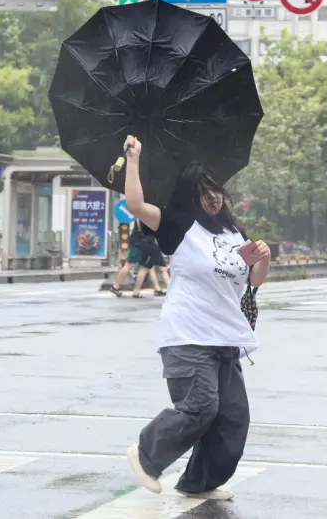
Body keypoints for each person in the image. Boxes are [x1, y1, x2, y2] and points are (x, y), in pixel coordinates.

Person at [121, 135, 271, 500]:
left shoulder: (234, 232)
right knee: (200, 408)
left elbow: (251, 281)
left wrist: (263, 259)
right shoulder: (179, 226)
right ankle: (146, 454)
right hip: (187, 337)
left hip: (226, 341)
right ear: (191, 193)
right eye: (205, 191)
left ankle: (200, 483)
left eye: (217, 189)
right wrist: (134, 159)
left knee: (232, 418)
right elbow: (137, 206)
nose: (214, 197)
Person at [110, 221, 166, 298]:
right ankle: (119, 287)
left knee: (146, 267)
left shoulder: (143, 212)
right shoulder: (148, 213)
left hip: (138, 242)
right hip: (140, 243)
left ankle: (157, 289)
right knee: (136, 266)